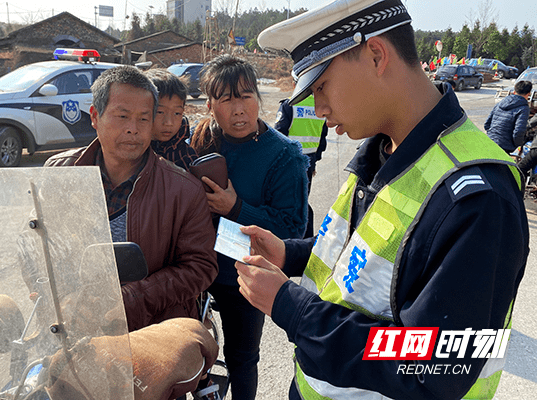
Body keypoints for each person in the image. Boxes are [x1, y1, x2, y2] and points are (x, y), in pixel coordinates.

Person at [234, 1, 529, 399]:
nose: (318, 110)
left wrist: (291, 306)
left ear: (375, 55)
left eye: (321, 87)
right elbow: (371, 257)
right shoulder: (383, 151)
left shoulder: (478, 198)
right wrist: (290, 254)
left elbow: (434, 365)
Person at [44, 66, 218, 333]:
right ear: (95, 116)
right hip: (70, 324)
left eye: (144, 119)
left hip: (151, 330)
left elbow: (200, 266)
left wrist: (133, 299)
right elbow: (35, 243)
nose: (133, 130)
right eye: (122, 116)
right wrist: (48, 288)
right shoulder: (59, 173)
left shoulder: (183, 190)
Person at [190, 54, 309, 400]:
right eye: (227, 99)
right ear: (211, 106)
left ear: (258, 99)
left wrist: (236, 207)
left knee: (242, 360)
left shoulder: (284, 155)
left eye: (245, 96)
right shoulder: (201, 142)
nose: (238, 109)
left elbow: (292, 229)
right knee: (192, 356)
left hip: (245, 277)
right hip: (196, 273)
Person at [274, 94, 328, 237]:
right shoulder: (321, 106)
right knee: (303, 199)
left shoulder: (289, 105)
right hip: (309, 161)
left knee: (286, 202)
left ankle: (292, 241)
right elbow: (322, 138)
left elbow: (278, 135)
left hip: (288, 162)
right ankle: (305, 239)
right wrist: (315, 161)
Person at [145, 68, 199, 171]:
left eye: (177, 113)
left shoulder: (187, 156)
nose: (169, 123)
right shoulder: (133, 151)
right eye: (160, 112)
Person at [484, 80, 532, 153]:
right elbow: (519, 131)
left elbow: (487, 125)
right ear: (529, 94)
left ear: (514, 92)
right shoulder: (524, 108)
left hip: (489, 142)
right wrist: (517, 144)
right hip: (504, 147)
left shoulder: (500, 103)